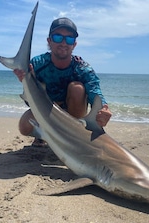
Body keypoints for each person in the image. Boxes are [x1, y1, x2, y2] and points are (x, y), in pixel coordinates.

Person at [14, 17, 112, 146]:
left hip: (72, 112)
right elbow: (29, 101)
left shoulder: (82, 68)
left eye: (69, 39)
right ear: (49, 41)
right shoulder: (37, 65)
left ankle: (72, 135)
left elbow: (94, 90)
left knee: (77, 88)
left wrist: (103, 108)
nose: (64, 43)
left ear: (74, 44)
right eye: (58, 37)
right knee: (25, 126)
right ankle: (43, 136)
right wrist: (27, 81)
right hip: (47, 111)